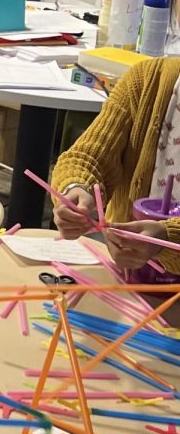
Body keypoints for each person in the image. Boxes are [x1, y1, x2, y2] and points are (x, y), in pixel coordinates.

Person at [51, 56, 180, 286]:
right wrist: (76, 189)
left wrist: (168, 238)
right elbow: (87, 156)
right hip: (126, 280)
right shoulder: (149, 80)